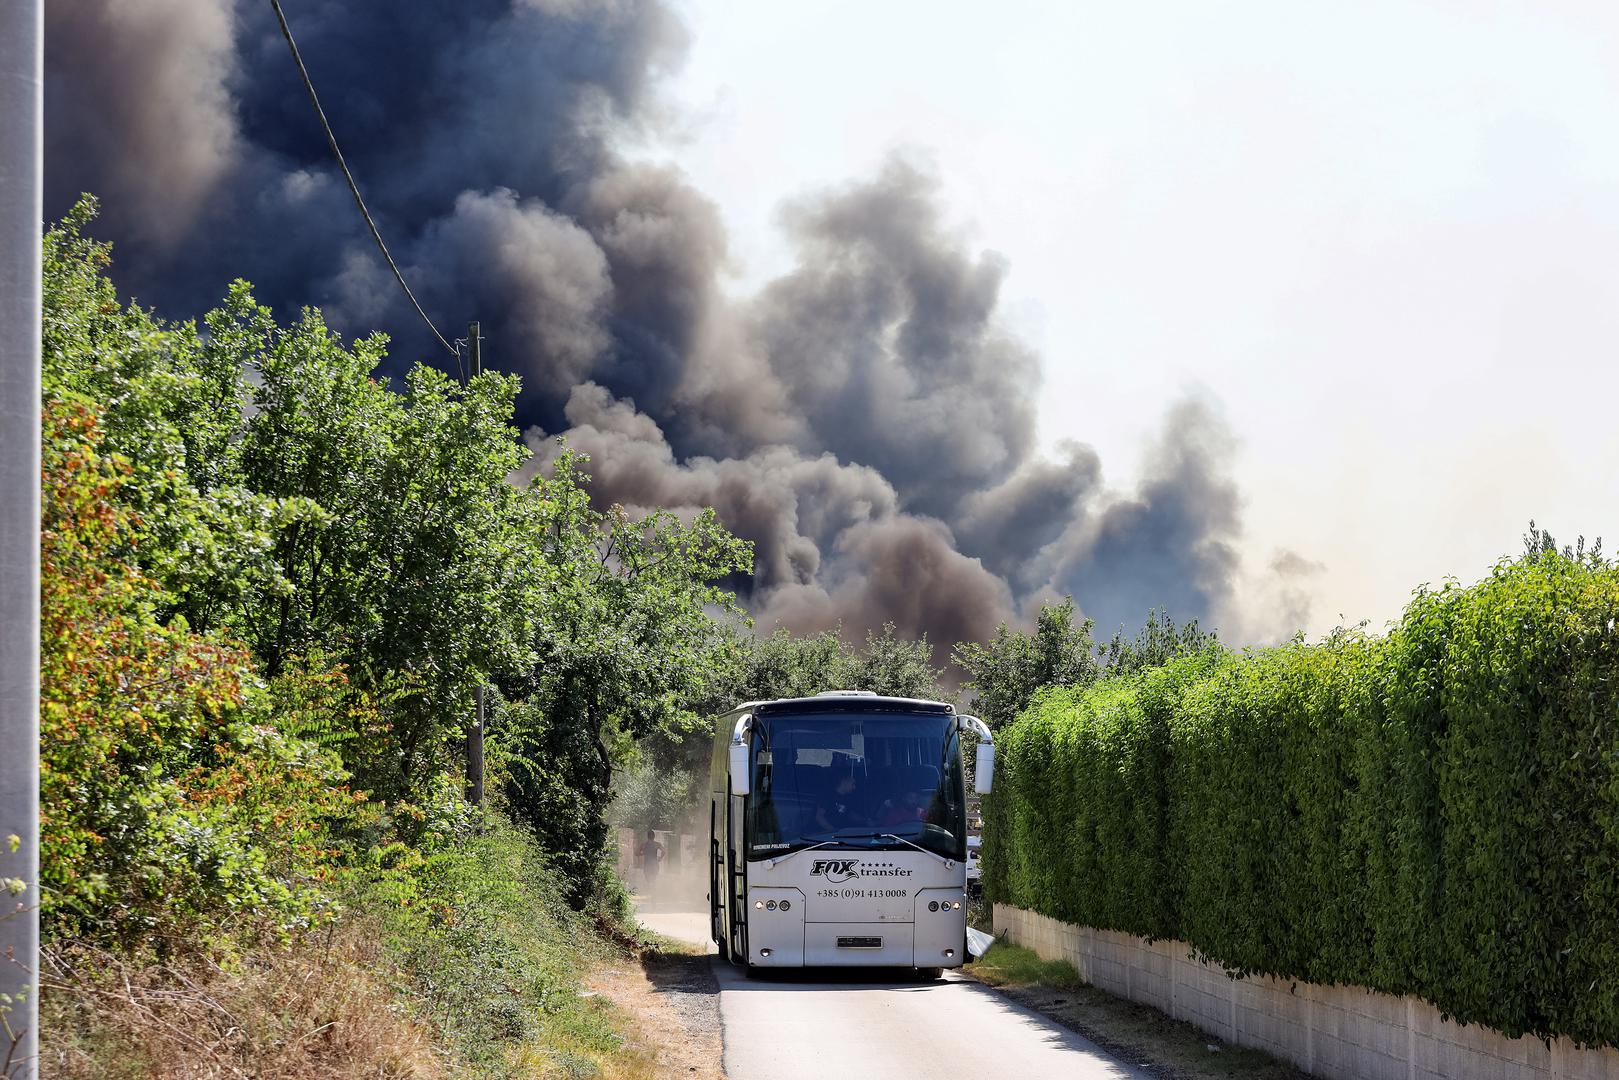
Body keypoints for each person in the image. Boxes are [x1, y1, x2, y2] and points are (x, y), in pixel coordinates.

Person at [639, 830, 665, 896]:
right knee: (653, 879)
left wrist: (643, 853)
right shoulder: (657, 844)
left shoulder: (643, 845)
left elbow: (636, 853)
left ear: (647, 836)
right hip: (655, 865)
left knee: (649, 879)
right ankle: (653, 891)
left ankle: (651, 890)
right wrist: (660, 858)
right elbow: (664, 851)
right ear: (654, 836)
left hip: (647, 865)